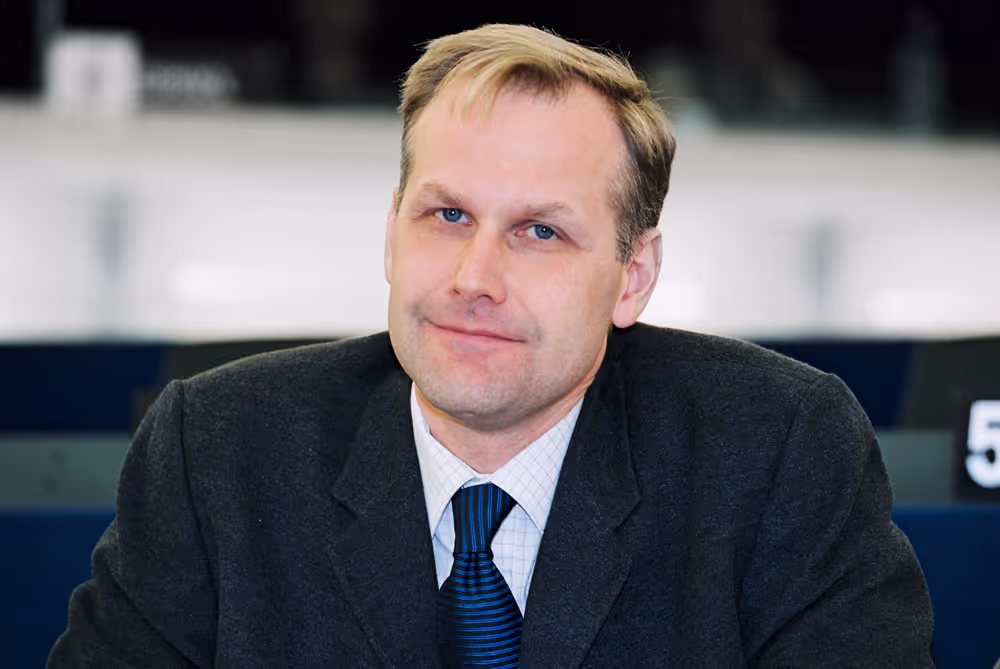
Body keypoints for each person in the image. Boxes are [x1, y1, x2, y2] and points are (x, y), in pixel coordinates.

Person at [49, 24, 934, 668]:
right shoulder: (216, 449)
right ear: (391, 236)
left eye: (540, 232)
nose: (474, 276)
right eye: (447, 215)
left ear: (633, 274)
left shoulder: (779, 449)